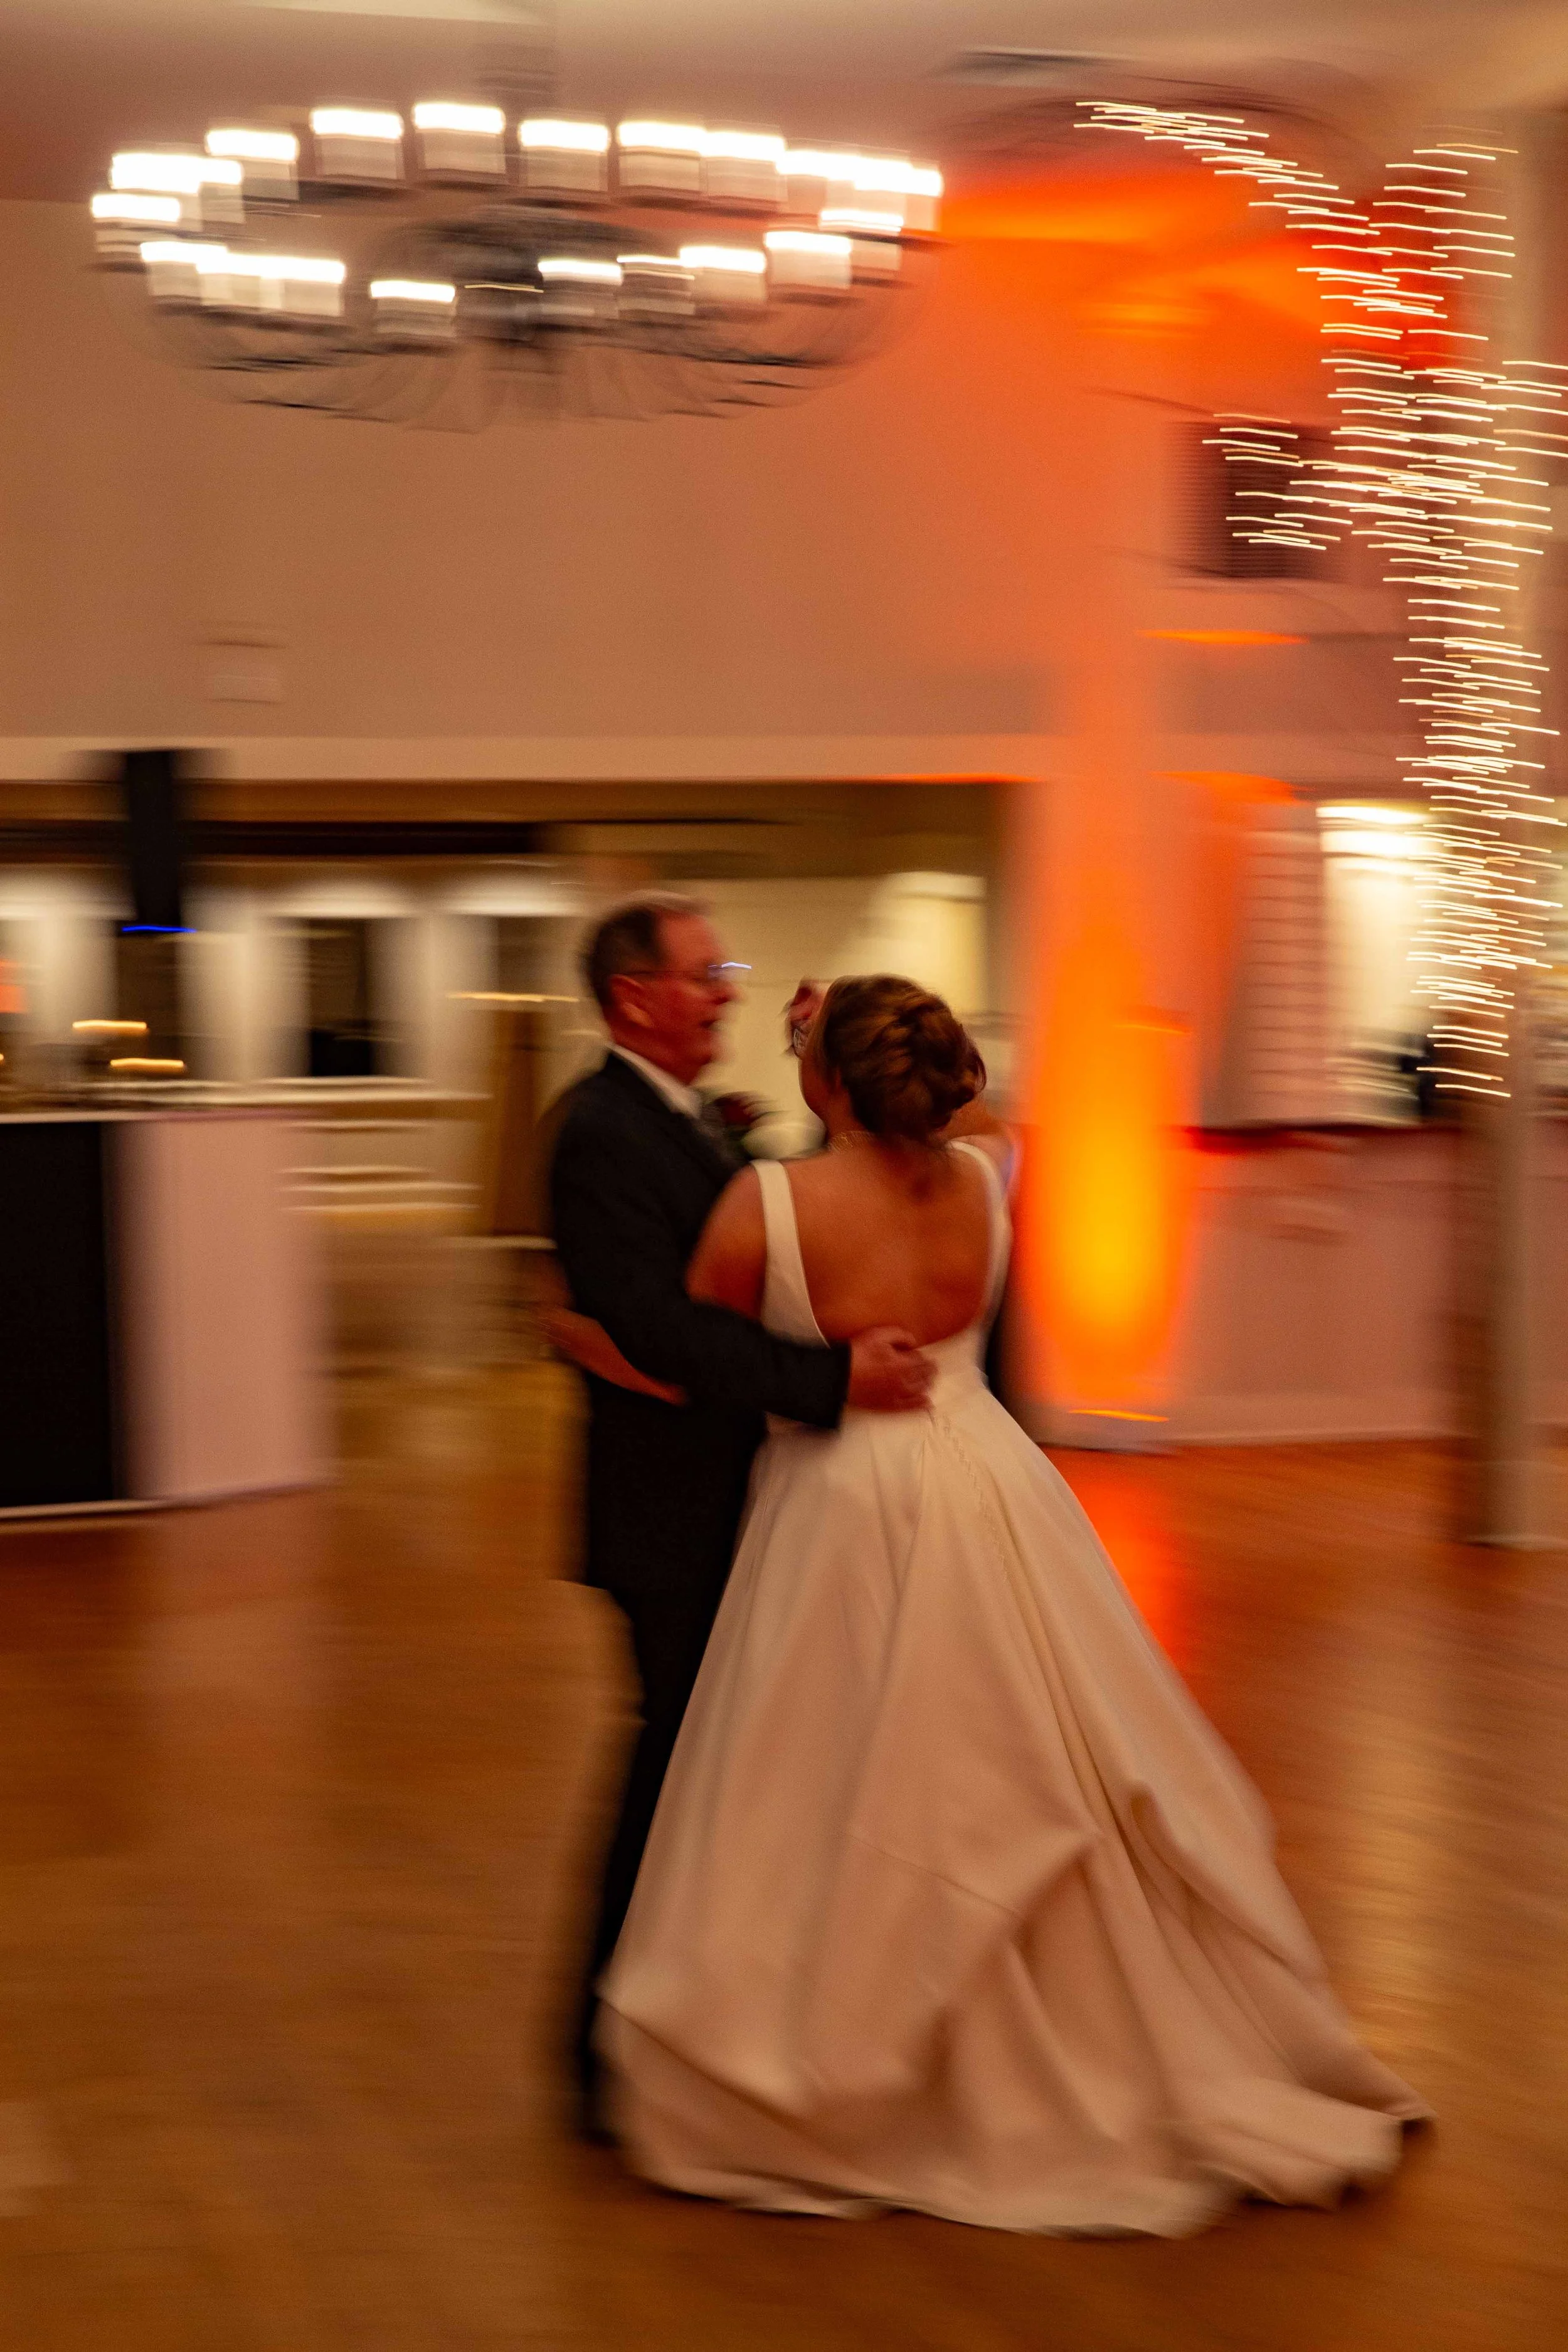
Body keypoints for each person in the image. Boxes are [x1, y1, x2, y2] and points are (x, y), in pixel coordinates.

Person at [590, 972, 1428, 2235]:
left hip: (842, 1503)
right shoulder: (985, 1181)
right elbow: (983, 1123)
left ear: (827, 1084)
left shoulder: (767, 1201)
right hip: (990, 1487)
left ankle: (852, 2057)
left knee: (840, 1781)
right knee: (1034, 1760)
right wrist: (842, 1050)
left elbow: (700, 1359)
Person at [546, 897, 934, 2136]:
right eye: (703, 971)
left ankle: (700, 2027)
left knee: (723, 1778)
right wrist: (831, 1381)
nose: (723, 989)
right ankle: (601, 2052)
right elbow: (663, 1332)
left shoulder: (680, 1123)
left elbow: (765, 1241)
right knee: (673, 1773)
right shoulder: (599, 1133)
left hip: (738, 1498)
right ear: (631, 1000)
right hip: (669, 1517)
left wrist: (825, 1070)